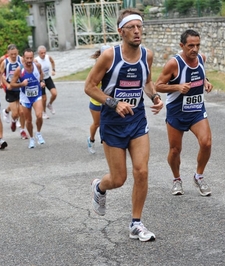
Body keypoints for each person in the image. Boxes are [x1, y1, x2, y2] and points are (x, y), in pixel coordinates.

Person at [84, 8, 163, 242]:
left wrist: (155, 97)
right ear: (121, 31)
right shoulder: (109, 56)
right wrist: (113, 102)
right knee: (118, 179)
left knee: (142, 171)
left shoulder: (147, 55)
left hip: (137, 119)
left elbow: (147, 82)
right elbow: (89, 87)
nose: (138, 31)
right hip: (112, 122)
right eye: (132, 27)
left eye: (140, 27)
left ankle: (136, 224)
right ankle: (100, 187)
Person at [155, 29, 213, 197]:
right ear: (182, 46)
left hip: (196, 110)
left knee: (206, 143)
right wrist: (177, 87)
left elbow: (200, 75)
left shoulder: (201, 59)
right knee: (175, 150)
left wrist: (206, 82)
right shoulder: (174, 63)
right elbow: (158, 85)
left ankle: (199, 176)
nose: (194, 49)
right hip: (177, 112)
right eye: (190, 46)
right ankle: (176, 179)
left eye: (197, 45)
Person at [10, 48, 46, 149]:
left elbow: (41, 74)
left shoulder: (37, 66)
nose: (29, 60)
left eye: (31, 58)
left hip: (36, 95)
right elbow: (12, 84)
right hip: (25, 97)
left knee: (39, 116)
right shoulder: (19, 70)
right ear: (23, 58)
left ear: (33, 57)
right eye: (27, 58)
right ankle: (31, 138)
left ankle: (38, 133)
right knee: (28, 120)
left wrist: (42, 81)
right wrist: (21, 84)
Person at [0, 44, 28, 139]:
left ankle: (22, 131)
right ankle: (13, 119)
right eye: (12, 54)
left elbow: (26, 70)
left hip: (20, 87)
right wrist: (6, 84)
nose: (14, 56)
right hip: (10, 88)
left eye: (15, 54)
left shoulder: (21, 60)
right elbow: (0, 75)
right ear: (8, 53)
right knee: (15, 113)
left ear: (18, 52)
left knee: (22, 112)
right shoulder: (5, 62)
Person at [87, 45, 110, 154]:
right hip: (96, 102)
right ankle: (91, 139)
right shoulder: (96, 68)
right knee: (97, 123)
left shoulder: (112, 66)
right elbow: (90, 86)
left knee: (107, 123)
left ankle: (107, 142)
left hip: (108, 102)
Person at [34, 45, 57, 119]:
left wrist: (53, 70)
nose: (43, 54)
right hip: (41, 80)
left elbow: (52, 62)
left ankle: (50, 104)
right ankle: (44, 112)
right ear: (38, 53)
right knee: (44, 98)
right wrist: (40, 80)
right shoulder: (36, 60)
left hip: (48, 78)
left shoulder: (48, 57)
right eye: (42, 53)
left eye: (44, 52)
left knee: (54, 93)